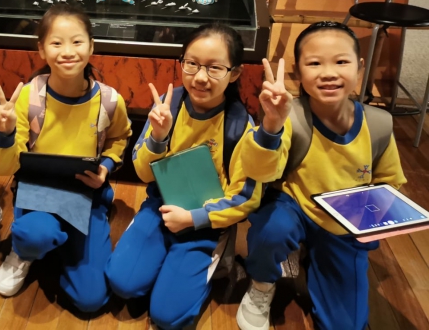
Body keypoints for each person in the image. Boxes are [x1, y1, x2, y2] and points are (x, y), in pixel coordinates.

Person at [236, 22, 406, 330]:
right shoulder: (290, 115)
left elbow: (389, 183)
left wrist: (368, 224)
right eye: (314, 63)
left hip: (343, 223)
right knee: (272, 230)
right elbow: (260, 172)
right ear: (299, 72)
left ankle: (316, 258)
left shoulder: (378, 124)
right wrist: (271, 125)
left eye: (341, 61)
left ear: (360, 67)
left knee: (346, 325)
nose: (328, 73)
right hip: (295, 205)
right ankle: (262, 284)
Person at [105, 24, 261, 330]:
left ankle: (215, 261)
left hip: (206, 224)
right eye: (192, 63)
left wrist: (193, 219)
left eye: (214, 67)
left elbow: (247, 197)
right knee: (121, 283)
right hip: (161, 208)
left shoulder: (240, 125)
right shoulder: (169, 104)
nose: (200, 77)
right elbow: (142, 172)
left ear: (234, 74)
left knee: (168, 316)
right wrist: (158, 137)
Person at [0, 4, 131, 312]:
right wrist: (5, 133)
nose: (67, 51)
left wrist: (106, 167)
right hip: (37, 195)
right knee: (36, 234)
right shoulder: (29, 97)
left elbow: (120, 138)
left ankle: (60, 243)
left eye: (77, 42)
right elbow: (3, 166)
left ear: (91, 46)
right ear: (41, 49)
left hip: (85, 195)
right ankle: (26, 250)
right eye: (56, 43)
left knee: (91, 300)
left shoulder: (109, 100)